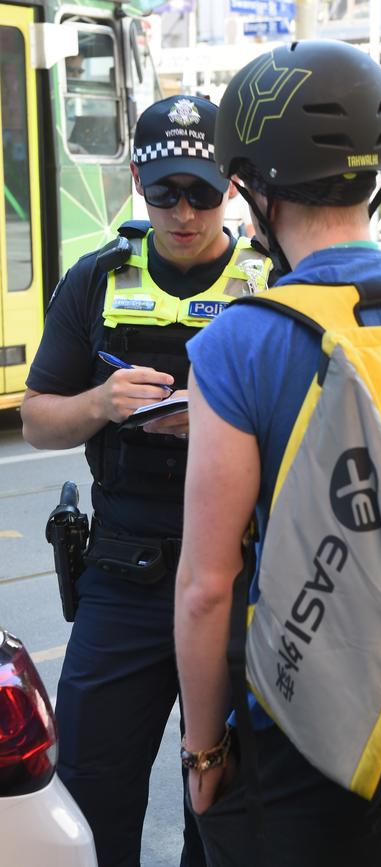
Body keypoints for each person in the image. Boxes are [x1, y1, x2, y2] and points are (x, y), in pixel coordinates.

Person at [174, 39, 381, 867]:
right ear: (379, 176)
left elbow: (208, 587)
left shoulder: (242, 342)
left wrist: (204, 755)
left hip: (302, 736)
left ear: (252, 189)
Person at [21, 95, 271, 867]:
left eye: (201, 190)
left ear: (230, 185)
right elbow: (36, 419)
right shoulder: (96, 279)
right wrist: (98, 403)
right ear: (137, 180)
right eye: (165, 192)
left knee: (230, 801)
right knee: (91, 791)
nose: (184, 211)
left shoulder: (277, 282)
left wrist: (229, 419)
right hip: (123, 573)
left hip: (245, 572)